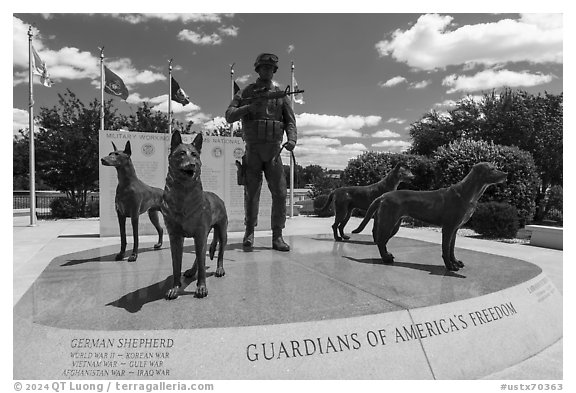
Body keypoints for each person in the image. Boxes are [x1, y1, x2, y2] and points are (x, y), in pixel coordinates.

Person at [225, 53, 297, 252]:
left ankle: (278, 236)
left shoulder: (280, 95)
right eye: (263, 68)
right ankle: (249, 232)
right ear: (257, 70)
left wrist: (292, 140)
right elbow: (229, 116)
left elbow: (290, 122)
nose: (266, 71)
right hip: (253, 151)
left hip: (273, 151)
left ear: (274, 71)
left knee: (281, 194)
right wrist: (249, 107)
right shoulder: (247, 92)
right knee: (251, 194)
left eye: (270, 68)